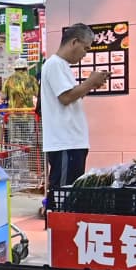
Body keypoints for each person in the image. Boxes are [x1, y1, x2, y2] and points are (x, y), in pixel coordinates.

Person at [42, 25, 107, 192]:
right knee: (63, 193)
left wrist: (90, 85)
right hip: (64, 142)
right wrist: (90, 82)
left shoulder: (62, 66)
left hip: (72, 141)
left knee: (72, 193)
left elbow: (71, 97)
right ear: (74, 42)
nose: (85, 54)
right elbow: (65, 97)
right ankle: (52, 216)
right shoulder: (54, 64)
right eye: (85, 48)